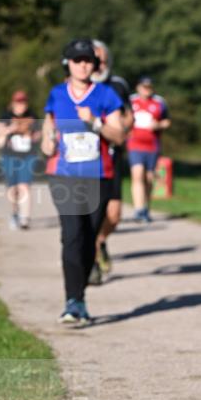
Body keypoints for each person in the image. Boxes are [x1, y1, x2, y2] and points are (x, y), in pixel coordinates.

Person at [41, 39, 125, 325]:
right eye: (77, 60)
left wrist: (96, 123)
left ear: (95, 64)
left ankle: (80, 296)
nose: (83, 65)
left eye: (88, 60)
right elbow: (47, 130)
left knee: (89, 237)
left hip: (98, 175)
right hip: (63, 174)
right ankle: (72, 301)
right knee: (72, 234)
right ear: (68, 64)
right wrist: (46, 141)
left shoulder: (105, 95)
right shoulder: (56, 94)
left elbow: (119, 136)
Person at [89, 40, 133, 281]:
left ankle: (101, 240)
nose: (100, 65)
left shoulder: (118, 85)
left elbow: (130, 116)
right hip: (85, 160)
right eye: (96, 60)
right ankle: (92, 262)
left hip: (113, 155)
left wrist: (121, 128)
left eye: (104, 60)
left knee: (114, 215)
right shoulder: (78, 87)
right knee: (92, 213)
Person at [0, 90, 39, 230]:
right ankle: (15, 212)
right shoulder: (6, 116)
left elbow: (39, 134)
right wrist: (10, 129)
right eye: (18, 102)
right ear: (13, 103)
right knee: (13, 189)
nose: (21, 105)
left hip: (28, 156)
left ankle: (25, 219)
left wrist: (32, 136)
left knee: (25, 186)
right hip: (9, 156)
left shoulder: (32, 116)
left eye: (23, 102)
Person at [127, 76, 170, 223]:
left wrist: (158, 125)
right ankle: (138, 209)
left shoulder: (159, 102)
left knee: (149, 178)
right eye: (144, 87)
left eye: (149, 87)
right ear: (138, 87)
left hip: (152, 145)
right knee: (137, 174)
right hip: (135, 144)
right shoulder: (131, 101)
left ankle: (146, 207)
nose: (147, 90)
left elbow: (167, 121)